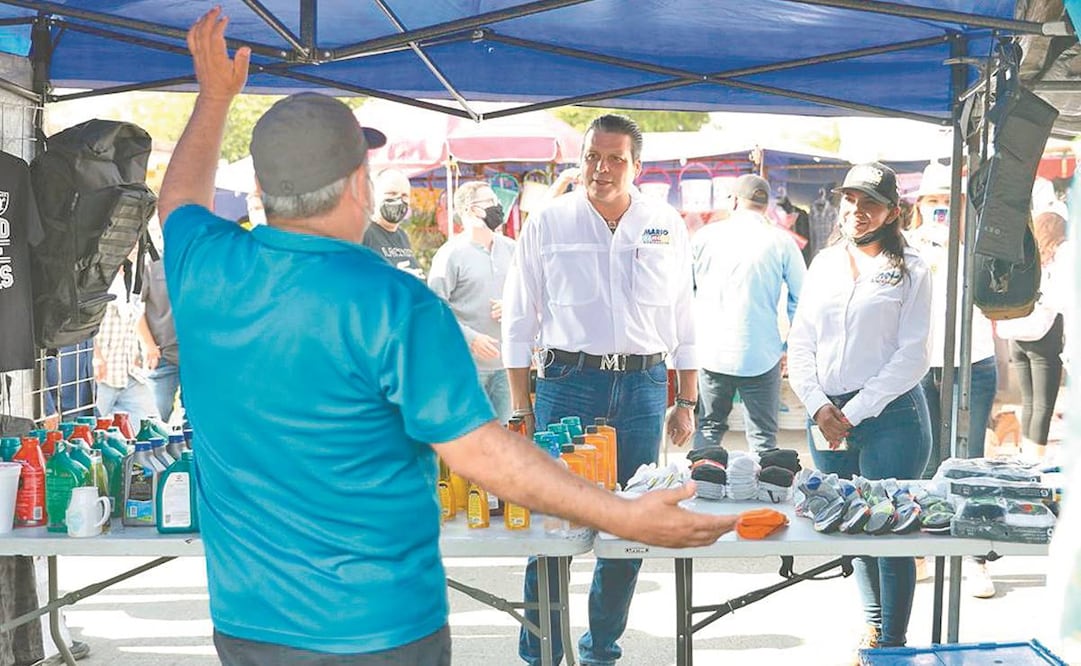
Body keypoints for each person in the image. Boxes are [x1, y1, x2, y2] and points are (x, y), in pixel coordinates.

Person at [158, 11, 736, 666]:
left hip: (245, 624)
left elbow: (177, 199)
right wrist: (622, 514)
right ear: (359, 183)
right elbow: (482, 453)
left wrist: (212, 99)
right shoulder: (393, 302)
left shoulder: (200, 267)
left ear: (261, 189)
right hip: (379, 629)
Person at [502, 113, 699, 666]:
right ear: (579, 160)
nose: (602, 168)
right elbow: (518, 319)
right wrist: (523, 405)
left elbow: (685, 316)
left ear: (638, 166)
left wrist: (685, 400)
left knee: (627, 529)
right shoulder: (548, 222)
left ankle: (600, 651)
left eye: (615, 158)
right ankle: (540, 654)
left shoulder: (665, 222)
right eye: (593, 156)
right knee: (555, 531)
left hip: (642, 388)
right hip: (569, 386)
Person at [787, 162, 932, 651]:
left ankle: (893, 644)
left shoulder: (911, 270)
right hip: (826, 415)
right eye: (851, 200)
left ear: (893, 212)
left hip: (891, 417)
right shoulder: (824, 263)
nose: (857, 211)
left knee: (889, 537)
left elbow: (913, 355)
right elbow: (801, 341)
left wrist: (853, 412)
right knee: (850, 530)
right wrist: (818, 405)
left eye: (871, 203)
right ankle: (873, 630)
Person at [904, 162, 999, 596]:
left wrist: (963, 244)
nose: (941, 208)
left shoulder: (978, 244)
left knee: (972, 458)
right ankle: (922, 544)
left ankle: (976, 557)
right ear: (919, 206)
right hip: (922, 363)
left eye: (949, 200)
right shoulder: (906, 247)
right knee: (924, 454)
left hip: (974, 358)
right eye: (934, 200)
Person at [691, 173, 805, 454]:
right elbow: (801, 298)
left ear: (733, 201)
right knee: (763, 439)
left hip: (712, 352)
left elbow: (682, 292)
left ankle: (699, 490)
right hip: (761, 352)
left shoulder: (704, 237)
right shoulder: (781, 241)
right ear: (765, 206)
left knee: (709, 428)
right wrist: (791, 346)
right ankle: (765, 493)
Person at [428, 181, 515, 425]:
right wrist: (471, 338)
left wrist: (512, 306)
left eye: (496, 201)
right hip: (466, 368)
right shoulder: (450, 254)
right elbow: (434, 310)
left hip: (507, 366)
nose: (497, 206)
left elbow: (531, 297)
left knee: (508, 440)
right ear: (469, 211)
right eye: (489, 202)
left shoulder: (512, 249)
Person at [995, 205, 1070, 461]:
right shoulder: (1061, 257)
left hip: (1017, 332)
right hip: (1044, 334)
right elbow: (1063, 299)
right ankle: (1035, 459)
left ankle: (1026, 455)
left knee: (1029, 401)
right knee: (1042, 405)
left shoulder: (1024, 256)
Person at [92, 265, 158, 422]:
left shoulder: (134, 274)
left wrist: (148, 344)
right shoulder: (95, 276)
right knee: (91, 432)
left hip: (128, 372)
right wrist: (95, 356)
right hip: (101, 376)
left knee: (149, 425)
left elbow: (136, 313)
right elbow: (82, 324)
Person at [140, 253, 182, 423]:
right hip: (162, 356)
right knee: (155, 419)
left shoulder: (202, 257)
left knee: (198, 422)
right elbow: (135, 307)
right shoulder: (151, 262)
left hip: (198, 357)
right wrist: (149, 345)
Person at [362, 167, 423, 277]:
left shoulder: (402, 235)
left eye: (404, 196)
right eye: (391, 193)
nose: (399, 200)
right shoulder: (362, 233)